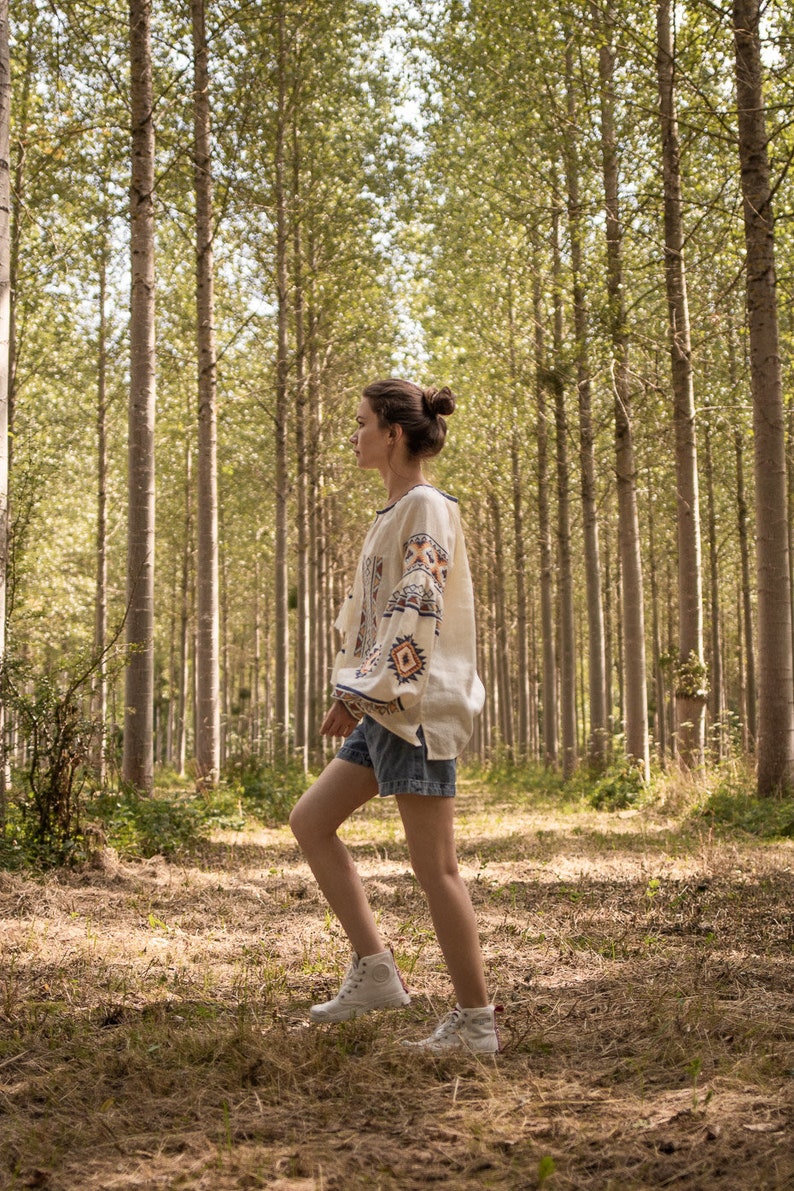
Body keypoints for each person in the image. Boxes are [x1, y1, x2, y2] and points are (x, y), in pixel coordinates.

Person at [289, 377, 499, 1054]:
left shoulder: (428, 507)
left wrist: (381, 688)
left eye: (361, 423)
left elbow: (419, 601)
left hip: (413, 706)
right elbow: (372, 613)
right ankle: (377, 970)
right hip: (381, 704)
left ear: (394, 434)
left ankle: (476, 1021)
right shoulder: (391, 512)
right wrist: (354, 693)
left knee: (434, 865)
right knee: (312, 821)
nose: (354, 434)